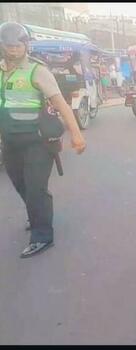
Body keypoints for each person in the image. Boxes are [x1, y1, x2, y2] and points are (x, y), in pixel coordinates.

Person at [0, 22, 86, 258]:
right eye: (9, 46)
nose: (14, 50)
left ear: (26, 45)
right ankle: (36, 212)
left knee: (36, 188)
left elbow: (61, 104)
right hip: (10, 142)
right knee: (20, 184)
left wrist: (76, 135)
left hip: (37, 141)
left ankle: (42, 235)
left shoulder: (37, 71)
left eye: (18, 45)